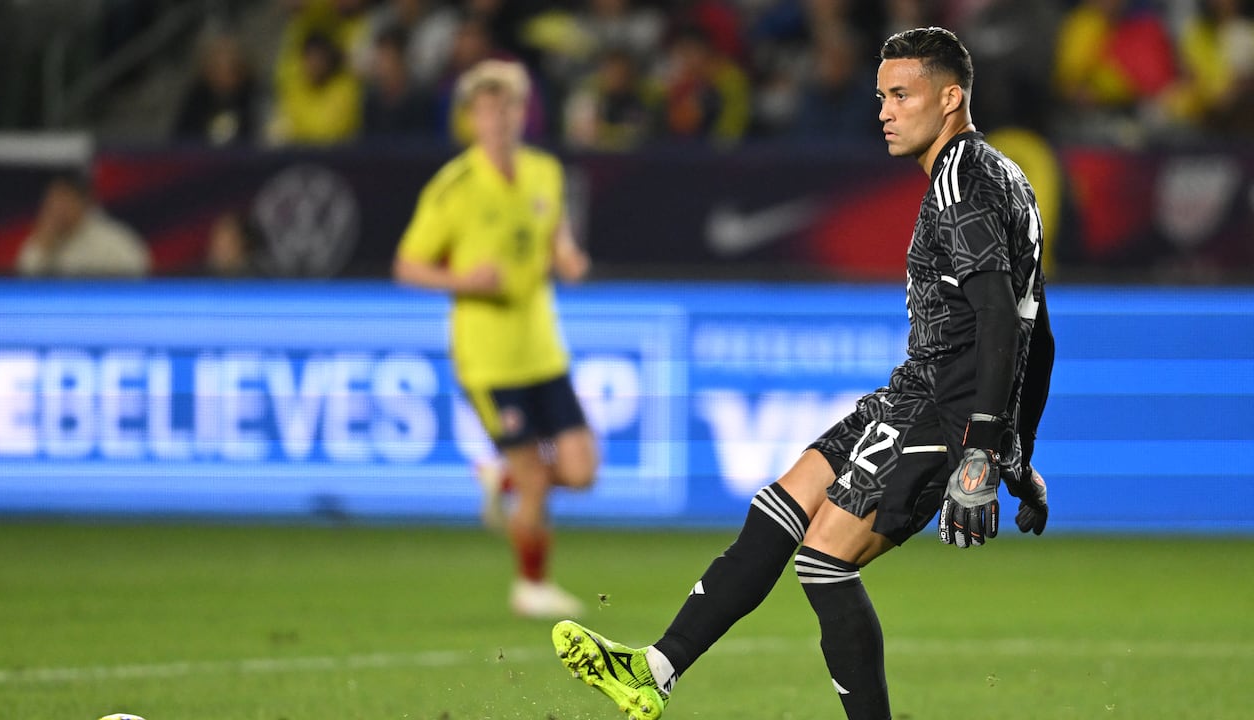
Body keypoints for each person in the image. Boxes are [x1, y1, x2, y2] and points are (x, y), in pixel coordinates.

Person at [552, 26, 1055, 720]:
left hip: (945, 404)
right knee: (783, 503)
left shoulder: (961, 180)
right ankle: (654, 670)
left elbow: (1002, 318)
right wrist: (1016, 456)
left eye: (901, 95)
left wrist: (980, 452)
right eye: (881, 95)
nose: (884, 110)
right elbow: (1042, 331)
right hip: (918, 392)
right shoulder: (1005, 176)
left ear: (950, 99)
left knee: (824, 563)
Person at [394, 58, 599, 619]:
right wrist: (463, 280)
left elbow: (554, 230)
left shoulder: (543, 172)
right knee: (536, 478)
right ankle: (531, 584)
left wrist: (567, 255)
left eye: (507, 106)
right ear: (470, 118)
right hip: (489, 357)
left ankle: (499, 476)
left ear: (521, 112)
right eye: (486, 109)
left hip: (541, 345)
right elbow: (408, 265)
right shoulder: (454, 187)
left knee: (581, 472)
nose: (497, 118)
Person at [17, 171, 150, 278]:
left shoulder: (114, 241)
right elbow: (24, 281)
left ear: (84, 202)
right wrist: (44, 250)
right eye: (54, 201)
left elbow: (139, 279)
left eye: (65, 200)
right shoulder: (42, 240)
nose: (59, 208)